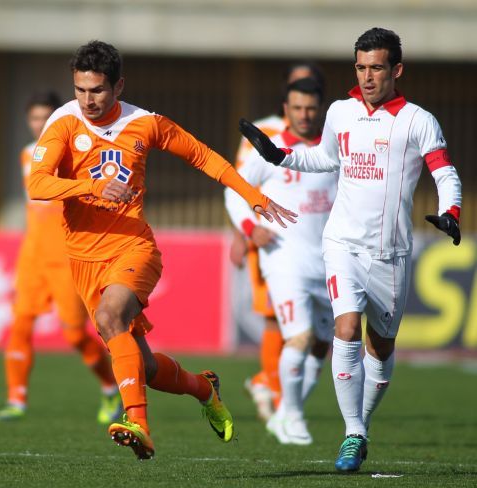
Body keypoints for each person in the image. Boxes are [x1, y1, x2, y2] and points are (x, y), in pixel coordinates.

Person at [27, 40, 296, 460]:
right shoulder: (63, 122)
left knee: (110, 316)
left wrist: (253, 196)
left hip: (133, 247)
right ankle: (204, 388)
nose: (87, 100)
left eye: (97, 90)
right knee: (146, 368)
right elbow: (37, 183)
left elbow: (203, 156)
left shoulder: (145, 123)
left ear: (118, 86)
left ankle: (139, 424)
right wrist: (91, 186)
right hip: (83, 258)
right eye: (80, 90)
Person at [240, 27, 462, 471]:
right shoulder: (340, 112)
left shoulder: (418, 120)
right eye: (360, 67)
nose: (367, 76)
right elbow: (324, 158)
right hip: (341, 244)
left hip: (391, 254)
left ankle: (362, 426)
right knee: (345, 328)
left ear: (396, 70)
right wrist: (279, 156)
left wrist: (450, 211)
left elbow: (444, 172)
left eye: (376, 68)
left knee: (380, 348)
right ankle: (353, 432)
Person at [0, 91, 123, 424]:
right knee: (20, 324)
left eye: (45, 118)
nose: (39, 124)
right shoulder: (26, 154)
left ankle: (109, 386)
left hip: (66, 256)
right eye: (34, 118)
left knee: (75, 334)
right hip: (33, 255)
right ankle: (16, 400)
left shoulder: (75, 153)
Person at [227, 78, 337, 445]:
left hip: (328, 261)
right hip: (283, 259)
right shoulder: (269, 151)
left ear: (320, 110)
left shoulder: (333, 150)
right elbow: (234, 190)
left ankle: (285, 413)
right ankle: (292, 415)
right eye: (298, 108)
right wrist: (249, 228)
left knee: (321, 344)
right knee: (299, 337)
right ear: (286, 110)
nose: (305, 114)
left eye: (311, 108)